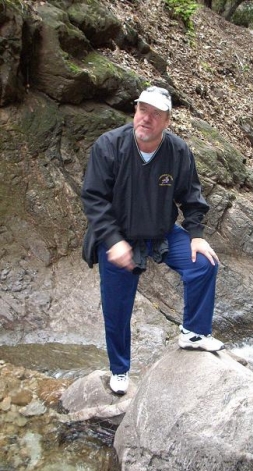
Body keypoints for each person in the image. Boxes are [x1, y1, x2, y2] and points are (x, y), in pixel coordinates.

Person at [81, 86, 224, 395]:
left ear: (167, 121)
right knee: (117, 307)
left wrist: (196, 236)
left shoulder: (178, 151)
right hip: (119, 235)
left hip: (161, 233)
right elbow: (94, 199)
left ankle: (194, 333)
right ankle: (119, 370)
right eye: (142, 110)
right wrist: (112, 240)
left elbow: (192, 196)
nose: (146, 118)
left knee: (204, 264)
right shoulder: (109, 146)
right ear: (135, 111)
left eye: (155, 114)